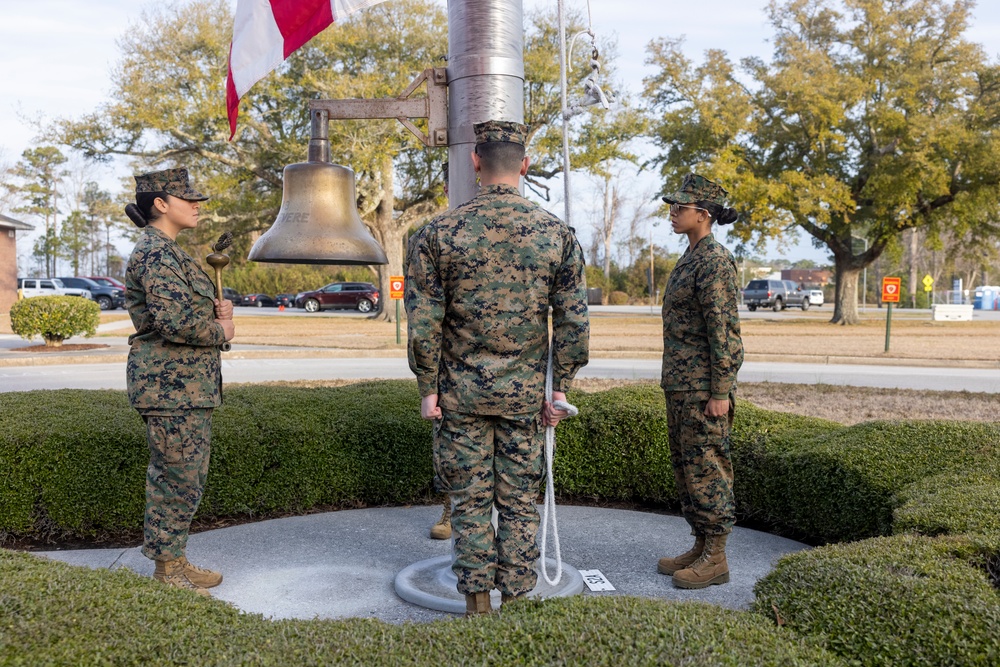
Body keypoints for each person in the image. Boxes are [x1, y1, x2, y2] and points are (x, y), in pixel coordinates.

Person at [405, 120, 590, 616]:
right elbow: (572, 324)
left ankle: (477, 606)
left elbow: (425, 323)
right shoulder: (557, 235)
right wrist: (560, 390)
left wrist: (427, 387)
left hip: (459, 397)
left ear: (475, 162)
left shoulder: (437, 234)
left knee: (468, 504)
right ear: (525, 166)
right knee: (519, 503)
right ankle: (517, 603)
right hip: (526, 399)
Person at [123, 167, 235, 595]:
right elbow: (173, 321)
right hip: (170, 387)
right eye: (187, 199)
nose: (197, 205)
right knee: (176, 478)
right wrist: (219, 331)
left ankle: (175, 560)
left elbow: (183, 314)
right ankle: (168, 571)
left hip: (184, 387)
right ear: (160, 205)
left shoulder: (170, 251)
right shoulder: (155, 252)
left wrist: (215, 316)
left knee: (186, 476)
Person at [656, 173, 743, 589]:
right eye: (672, 206)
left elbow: (723, 333)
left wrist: (721, 392)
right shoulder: (691, 256)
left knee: (708, 468)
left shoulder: (714, 261)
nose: (673, 213)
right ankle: (701, 543)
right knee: (688, 469)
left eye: (681, 207)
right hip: (681, 384)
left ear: (704, 215)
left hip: (704, 389)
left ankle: (717, 558)